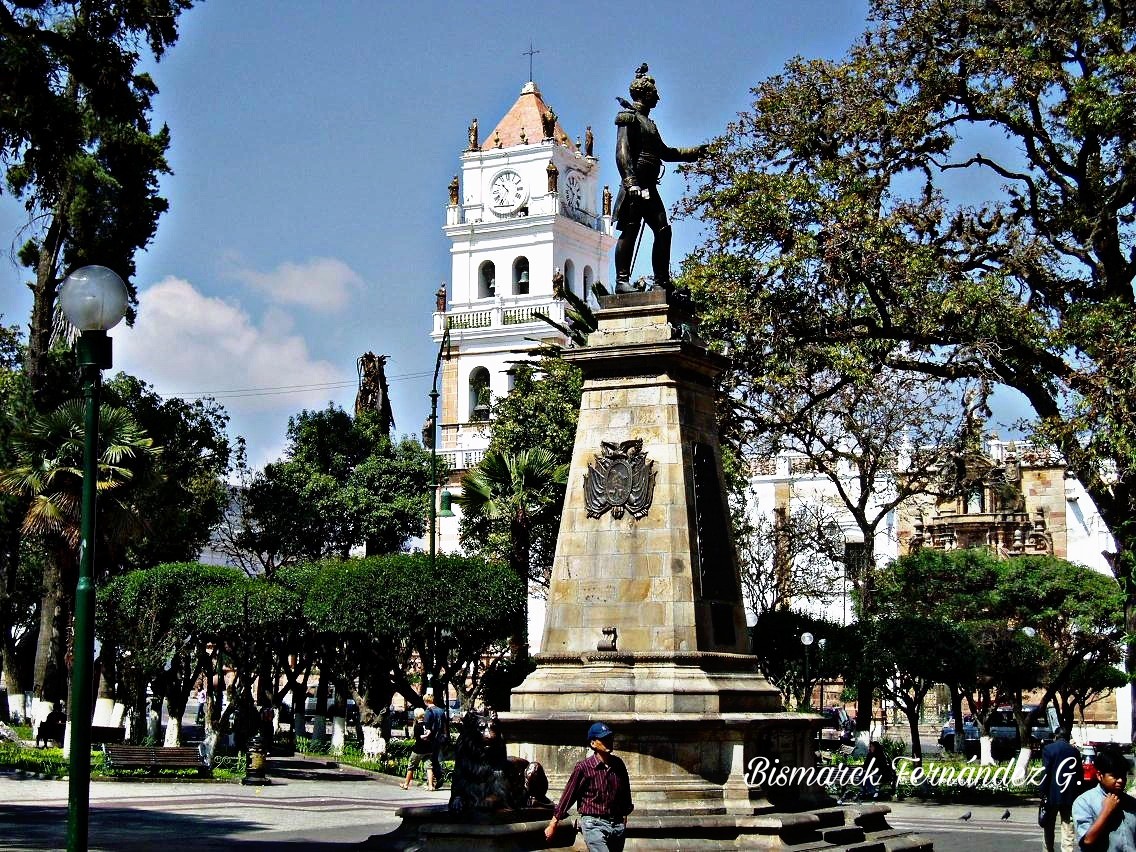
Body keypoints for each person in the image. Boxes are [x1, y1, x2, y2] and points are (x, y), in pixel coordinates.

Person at [612, 63, 708, 294]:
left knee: (663, 229)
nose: (658, 97)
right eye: (655, 93)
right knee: (631, 230)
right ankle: (622, 281)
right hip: (635, 185)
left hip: (650, 186)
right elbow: (622, 151)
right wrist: (630, 181)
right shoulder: (629, 117)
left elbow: (665, 153)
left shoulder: (650, 124)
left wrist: (695, 153)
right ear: (645, 94)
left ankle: (661, 281)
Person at [544, 721, 634, 852]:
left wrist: (624, 817)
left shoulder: (618, 764)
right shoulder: (584, 767)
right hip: (594, 823)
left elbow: (625, 793)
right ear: (593, 743)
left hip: (617, 825)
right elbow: (569, 795)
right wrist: (553, 823)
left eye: (610, 738)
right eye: (604, 739)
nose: (608, 741)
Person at [1072, 744, 1136, 850]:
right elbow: (1087, 840)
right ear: (1099, 776)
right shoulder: (1084, 802)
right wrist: (1106, 811)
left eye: (1123, 776)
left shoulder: (1131, 803)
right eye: (1114, 776)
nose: (1120, 780)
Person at [1041, 728, 1083, 852]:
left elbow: (1046, 773)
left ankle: (1048, 849)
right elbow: (1079, 774)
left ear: (1055, 736)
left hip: (1052, 794)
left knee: (1049, 825)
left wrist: (1042, 792)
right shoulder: (1074, 751)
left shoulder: (1048, 749)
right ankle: (1067, 850)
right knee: (1068, 826)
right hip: (1070, 795)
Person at [400, 708, 432, 790]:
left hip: (418, 749)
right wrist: (428, 734)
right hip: (428, 749)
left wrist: (424, 736)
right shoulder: (427, 724)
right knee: (429, 767)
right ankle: (431, 786)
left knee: (411, 766)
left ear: (416, 716)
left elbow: (419, 737)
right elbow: (430, 731)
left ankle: (406, 784)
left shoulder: (417, 726)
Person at [423, 692, 446, 791]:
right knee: (435, 758)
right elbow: (445, 725)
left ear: (426, 701)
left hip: (431, 738)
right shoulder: (441, 711)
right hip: (440, 737)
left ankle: (432, 779)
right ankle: (437, 776)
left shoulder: (428, 711)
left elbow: (427, 726)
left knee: (429, 760)